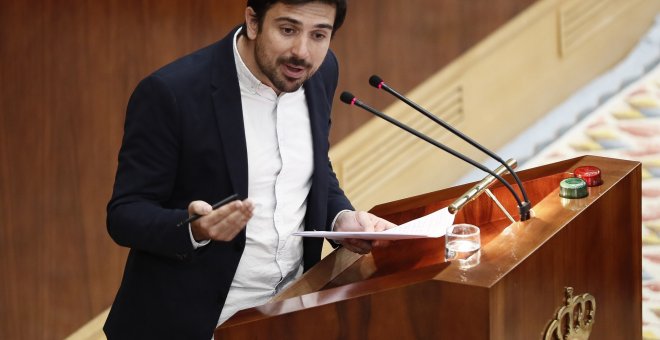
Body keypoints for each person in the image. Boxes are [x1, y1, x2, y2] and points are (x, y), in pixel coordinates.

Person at [104, 0, 396, 338]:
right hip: (194, 324)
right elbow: (124, 215)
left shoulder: (321, 71)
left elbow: (313, 170)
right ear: (253, 22)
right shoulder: (172, 93)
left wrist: (340, 220)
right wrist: (194, 229)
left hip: (287, 313)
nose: (301, 51)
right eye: (287, 30)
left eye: (319, 34)